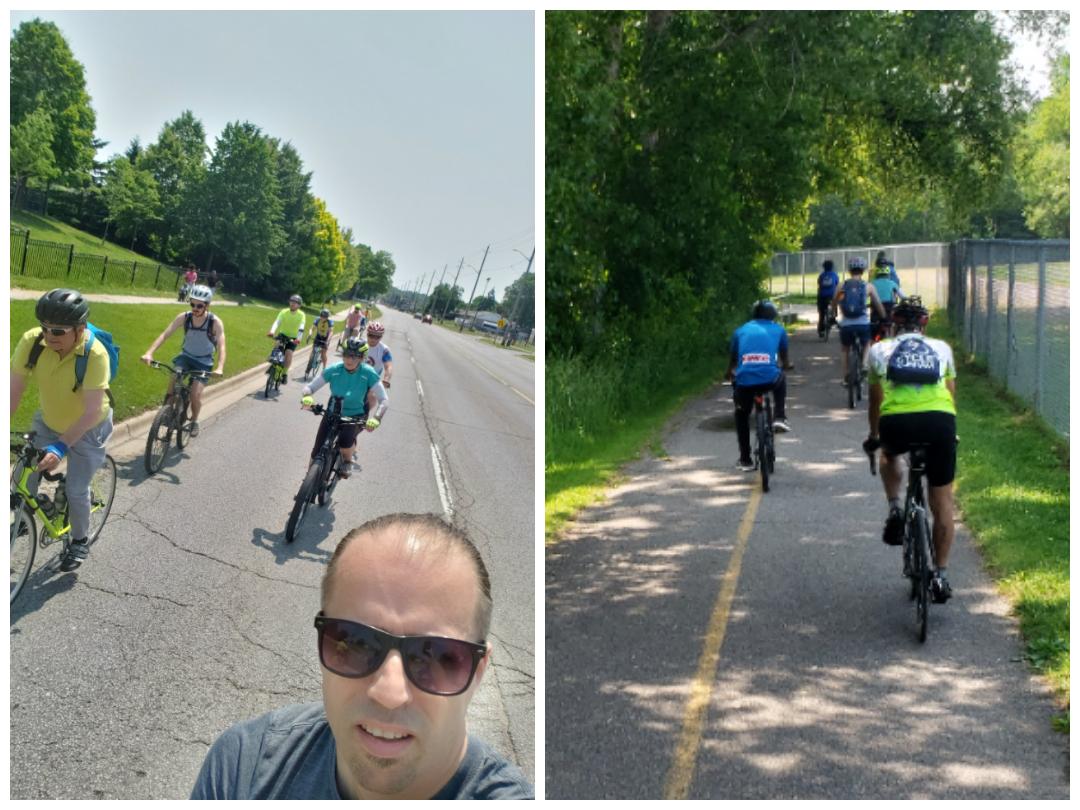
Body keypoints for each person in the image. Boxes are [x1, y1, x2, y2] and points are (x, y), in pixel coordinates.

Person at [190, 513, 534, 799]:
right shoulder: (241, 768)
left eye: (438, 655)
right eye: (354, 642)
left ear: (478, 672)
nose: (388, 693)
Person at [10, 289, 114, 572]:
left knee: (77, 489)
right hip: (49, 420)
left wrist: (61, 446)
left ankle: (80, 540)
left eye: (58, 330)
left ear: (80, 329)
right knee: (20, 477)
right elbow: (13, 390)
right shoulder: (33, 342)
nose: (48, 335)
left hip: (89, 428)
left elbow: (92, 411)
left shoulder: (95, 354)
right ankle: (24, 518)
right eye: (44, 327)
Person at [863, 296, 958, 603]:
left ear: (893, 323)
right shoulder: (942, 349)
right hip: (940, 422)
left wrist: (874, 435)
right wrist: (949, 434)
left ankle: (895, 507)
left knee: (889, 454)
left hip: (897, 424)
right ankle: (940, 575)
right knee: (942, 501)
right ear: (924, 324)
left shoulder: (879, 350)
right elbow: (950, 395)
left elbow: (876, 400)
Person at [140, 284, 226, 437]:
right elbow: (165, 334)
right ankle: (167, 411)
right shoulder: (184, 317)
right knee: (174, 378)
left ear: (207, 305)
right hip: (186, 357)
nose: (195, 308)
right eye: (192, 304)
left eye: (199, 305)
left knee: (195, 395)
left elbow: (222, 345)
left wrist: (219, 367)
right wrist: (149, 353)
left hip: (204, 362)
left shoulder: (214, 322)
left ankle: (194, 421)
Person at [300, 337, 387, 478]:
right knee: (317, 450)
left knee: (345, 444)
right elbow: (309, 387)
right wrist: (307, 397)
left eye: (355, 356)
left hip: (355, 415)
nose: (349, 360)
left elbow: (384, 400)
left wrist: (376, 418)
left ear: (362, 358)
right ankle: (308, 480)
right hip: (332, 412)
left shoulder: (368, 373)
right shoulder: (334, 370)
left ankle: (347, 461)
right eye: (346, 354)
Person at [724, 299, 793, 472]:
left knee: (741, 415)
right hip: (769, 379)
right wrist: (786, 365)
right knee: (781, 378)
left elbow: (733, 359)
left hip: (745, 381)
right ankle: (779, 417)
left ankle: (745, 459)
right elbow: (784, 357)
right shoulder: (778, 329)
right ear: (773, 316)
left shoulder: (740, 331)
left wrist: (728, 373)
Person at [831, 257, 886, 385]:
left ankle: (845, 377)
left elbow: (835, 302)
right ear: (863, 270)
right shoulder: (868, 287)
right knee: (867, 342)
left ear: (850, 271)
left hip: (846, 325)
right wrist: (883, 317)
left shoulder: (841, 286)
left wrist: (833, 314)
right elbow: (878, 304)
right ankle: (864, 364)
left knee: (845, 349)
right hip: (862, 324)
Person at [267, 294, 306, 382]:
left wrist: (298, 338)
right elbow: (277, 322)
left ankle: (284, 373)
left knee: (289, 353)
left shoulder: (301, 315)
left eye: (295, 303)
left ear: (299, 305)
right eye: (291, 301)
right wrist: (272, 331)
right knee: (277, 345)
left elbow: (301, 327)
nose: (292, 303)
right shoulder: (284, 311)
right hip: (283, 334)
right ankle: (273, 364)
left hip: (293, 337)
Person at [870, 261, 902, 341]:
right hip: (889, 308)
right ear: (888, 274)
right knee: (890, 324)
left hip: (876, 309)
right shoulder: (892, 283)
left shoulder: (872, 283)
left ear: (877, 275)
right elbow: (902, 296)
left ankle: (873, 341)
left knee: (873, 328)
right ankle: (891, 338)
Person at [364, 321, 394, 390]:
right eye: (371, 335)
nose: (373, 339)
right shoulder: (360, 344)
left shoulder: (384, 350)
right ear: (367, 334)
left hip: (372, 380)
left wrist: (386, 379)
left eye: (377, 337)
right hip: (356, 377)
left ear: (381, 337)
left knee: (372, 398)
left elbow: (388, 366)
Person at [816, 259, 840, 337]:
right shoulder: (834, 275)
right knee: (834, 303)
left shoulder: (822, 275)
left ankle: (821, 330)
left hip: (822, 296)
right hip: (832, 295)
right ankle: (833, 318)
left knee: (821, 314)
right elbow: (837, 285)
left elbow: (819, 284)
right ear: (832, 267)